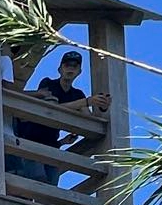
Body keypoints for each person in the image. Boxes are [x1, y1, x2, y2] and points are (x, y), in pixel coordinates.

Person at [6, 49, 108, 185]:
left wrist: (102, 106)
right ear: (60, 69)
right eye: (67, 65)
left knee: (52, 184)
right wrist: (87, 101)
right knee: (37, 179)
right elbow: (52, 108)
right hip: (31, 140)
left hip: (52, 145)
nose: (70, 68)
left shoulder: (78, 94)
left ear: (79, 71)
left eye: (74, 66)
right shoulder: (49, 83)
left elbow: (88, 118)